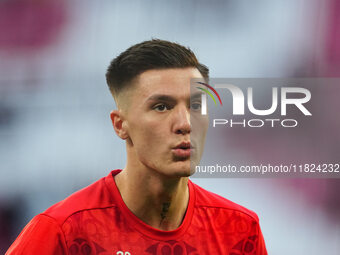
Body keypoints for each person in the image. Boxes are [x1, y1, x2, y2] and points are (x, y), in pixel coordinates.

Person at [6, 39, 267, 255]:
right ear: (120, 125)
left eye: (196, 106)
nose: (185, 124)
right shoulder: (63, 231)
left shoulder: (240, 230)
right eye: (161, 106)